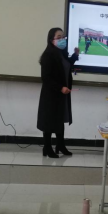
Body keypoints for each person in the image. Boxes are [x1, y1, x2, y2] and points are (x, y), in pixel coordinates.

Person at [37, 27, 79, 158]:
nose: (62, 39)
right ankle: (47, 147)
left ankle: (60, 145)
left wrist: (75, 55)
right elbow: (46, 78)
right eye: (59, 37)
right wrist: (60, 87)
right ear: (51, 40)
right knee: (50, 120)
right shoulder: (48, 55)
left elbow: (67, 66)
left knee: (60, 119)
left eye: (63, 37)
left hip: (62, 93)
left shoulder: (62, 53)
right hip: (51, 94)